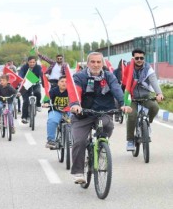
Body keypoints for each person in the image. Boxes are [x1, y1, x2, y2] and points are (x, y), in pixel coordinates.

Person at [69, 52, 132, 184]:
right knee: (79, 141)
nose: (96, 65)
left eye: (99, 62)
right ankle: (79, 172)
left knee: (108, 125)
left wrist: (123, 104)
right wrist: (75, 105)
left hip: (103, 112)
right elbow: (76, 92)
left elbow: (117, 90)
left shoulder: (109, 76)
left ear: (102, 63)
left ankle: (102, 148)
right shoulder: (79, 77)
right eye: (93, 62)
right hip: (83, 114)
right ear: (88, 63)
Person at [126, 49, 164, 151]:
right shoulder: (128, 68)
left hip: (145, 95)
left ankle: (147, 123)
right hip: (132, 97)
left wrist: (159, 93)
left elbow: (153, 81)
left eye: (141, 58)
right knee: (132, 115)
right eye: (137, 58)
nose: (139, 60)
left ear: (144, 58)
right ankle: (130, 140)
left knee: (155, 107)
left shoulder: (148, 69)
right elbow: (124, 82)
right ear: (133, 58)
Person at [42, 75, 69, 148]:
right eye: (62, 81)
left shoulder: (71, 91)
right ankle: (51, 140)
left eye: (66, 82)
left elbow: (77, 99)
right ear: (58, 83)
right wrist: (46, 103)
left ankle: (72, 138)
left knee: (74, 121)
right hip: (56, 111)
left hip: (68, 111)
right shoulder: (53, 91)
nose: (64, 83)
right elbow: (47, 98)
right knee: (51, 120)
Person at [18, 56, 43, 124]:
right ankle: (24, 117)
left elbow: (42, 75)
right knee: (26, 101)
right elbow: (20, 74)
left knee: (38, 93)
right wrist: (22, 79)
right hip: (26, 85)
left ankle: (38, 104)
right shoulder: (24, 67)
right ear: (28, 62)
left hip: (35, 84)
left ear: (35, 62)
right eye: (30, 62)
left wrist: (44, 83)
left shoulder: (38, 67)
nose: (32, 64)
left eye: (33, 62)